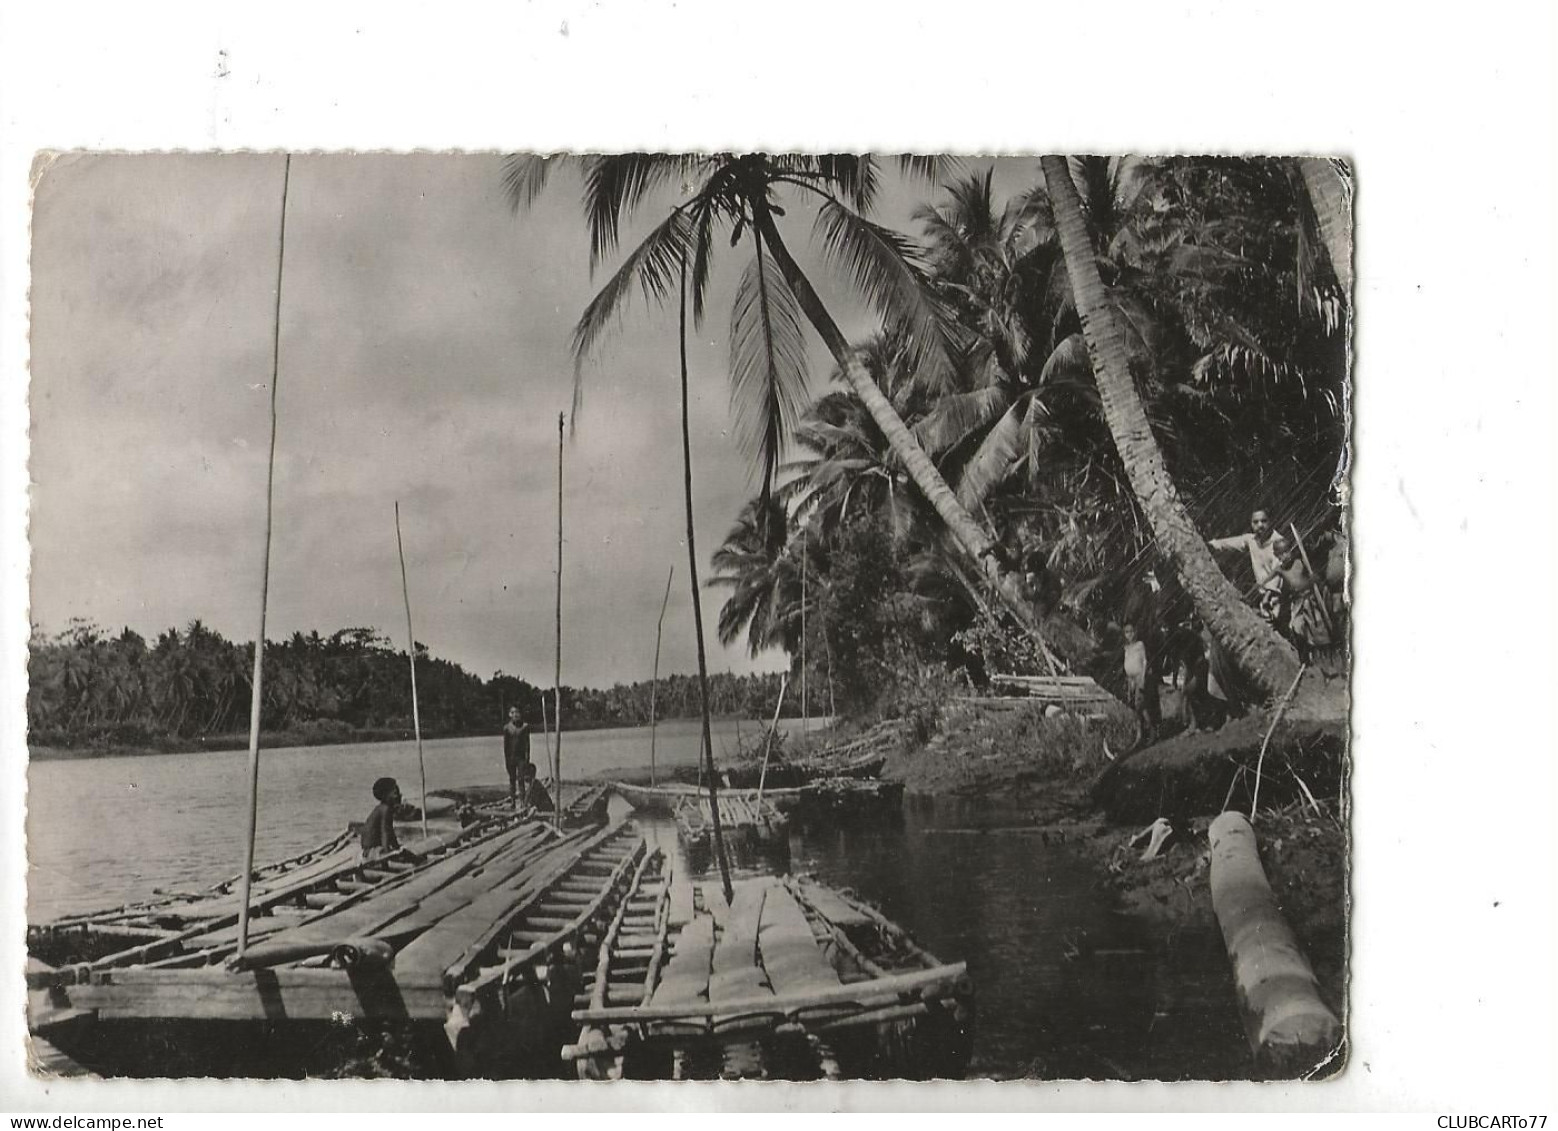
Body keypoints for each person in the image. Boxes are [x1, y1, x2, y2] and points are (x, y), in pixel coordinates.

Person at [1209, 508, 1284, 622]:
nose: (1260, 525)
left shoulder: (1279, 543)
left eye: (1264, 521)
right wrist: (1213, 544)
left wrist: (1267, 595)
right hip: (1262, 594)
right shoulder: (1251, 539)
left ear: (1270, 521)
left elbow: (1278, 572)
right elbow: (1231, 542)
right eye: (1255, 522)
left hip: (1276, 595)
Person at [1270, 533, 1333, 659]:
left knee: (1319, 624)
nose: (1285, 556)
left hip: (1312, 599)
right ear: (1277, 556)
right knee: (1297, 627)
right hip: (1298, 604)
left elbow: (1312, 576)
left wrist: (1313, 580)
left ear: (1291, 551)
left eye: (1286, 552)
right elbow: (1273, 584)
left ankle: (1329, 654)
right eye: (1281, 554)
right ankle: (1309, 657)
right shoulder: (1280, 571)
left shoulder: (1299, 562)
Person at [361, 777, 402, 860]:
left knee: (402, 852)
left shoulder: (383, 808)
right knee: (406, 855)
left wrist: (396, 847)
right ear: (385, 795)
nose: (398, 795)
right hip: (373, 851)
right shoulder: (385, 810)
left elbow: (390, 832)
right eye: (394, 792)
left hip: (369, 850)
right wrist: (387, 852)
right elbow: (385, 832)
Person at [502, 706, 533, 805]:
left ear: (520, 714)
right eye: (513, 712)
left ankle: (523, 801)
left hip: (521, 758)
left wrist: (527, 758)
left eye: (517, 712)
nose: (515, 715)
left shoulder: (525, 727)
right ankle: (512, 801)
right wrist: (506, 760)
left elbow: (527, 744)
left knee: (521, 779)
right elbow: (506, 746)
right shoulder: (507, 728)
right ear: (510, 715)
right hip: (511, 757)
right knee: (512, 779)